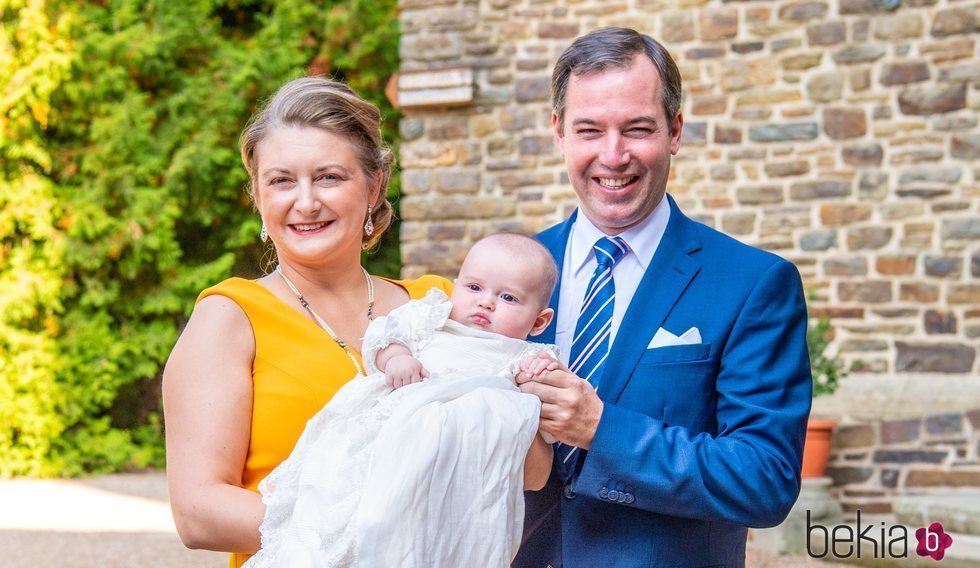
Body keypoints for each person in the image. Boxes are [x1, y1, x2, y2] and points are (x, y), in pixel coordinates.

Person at [512, 27, 813, 567]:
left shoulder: (752, 282)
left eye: (637, 129)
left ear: (674, 130)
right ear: (558, 133)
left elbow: (765, 479)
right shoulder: (512, 274)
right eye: (589, 130)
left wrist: (602, 430)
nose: (613, 154)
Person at [162, 76, 452, 568]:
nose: (306, 201)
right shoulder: (231, 317)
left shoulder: (436, 303)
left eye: (328, 176)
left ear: (375, 183)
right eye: (281, 180)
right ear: (257, 195)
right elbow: (198, 512)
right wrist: (373, 529)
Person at [244, 233, 559, 568]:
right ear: (456, 286)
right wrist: (396, 358)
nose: (486, 302)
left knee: (441, 534)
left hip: (456, 463)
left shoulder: (526, 356)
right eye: (474, 288)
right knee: (348, 492)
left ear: (539, 321)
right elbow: (385, 335)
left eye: (508, 297)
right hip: (397, 428)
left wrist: (539, 378)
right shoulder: (432, 317)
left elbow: (548, 421)